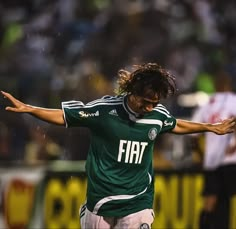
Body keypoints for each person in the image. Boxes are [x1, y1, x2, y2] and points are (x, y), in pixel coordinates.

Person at [1, 63, 235, 229]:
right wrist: (30, 109)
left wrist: (210, 127)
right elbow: (64, 116)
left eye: (154, 103)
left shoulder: (157, 115)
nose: (149, 108)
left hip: (138, 201)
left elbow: (176, 125)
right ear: (132, 92)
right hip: (101, 200)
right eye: (145, 101)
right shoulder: (104, 111)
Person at [191, 70, 236, 229]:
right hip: (231, 161)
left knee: (211, 201)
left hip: (211, 162)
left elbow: (194, 135)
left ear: (216, 85)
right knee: (225, 200)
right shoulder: (234, 101)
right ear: (229, 85)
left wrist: (201, 156)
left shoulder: (207, 104)